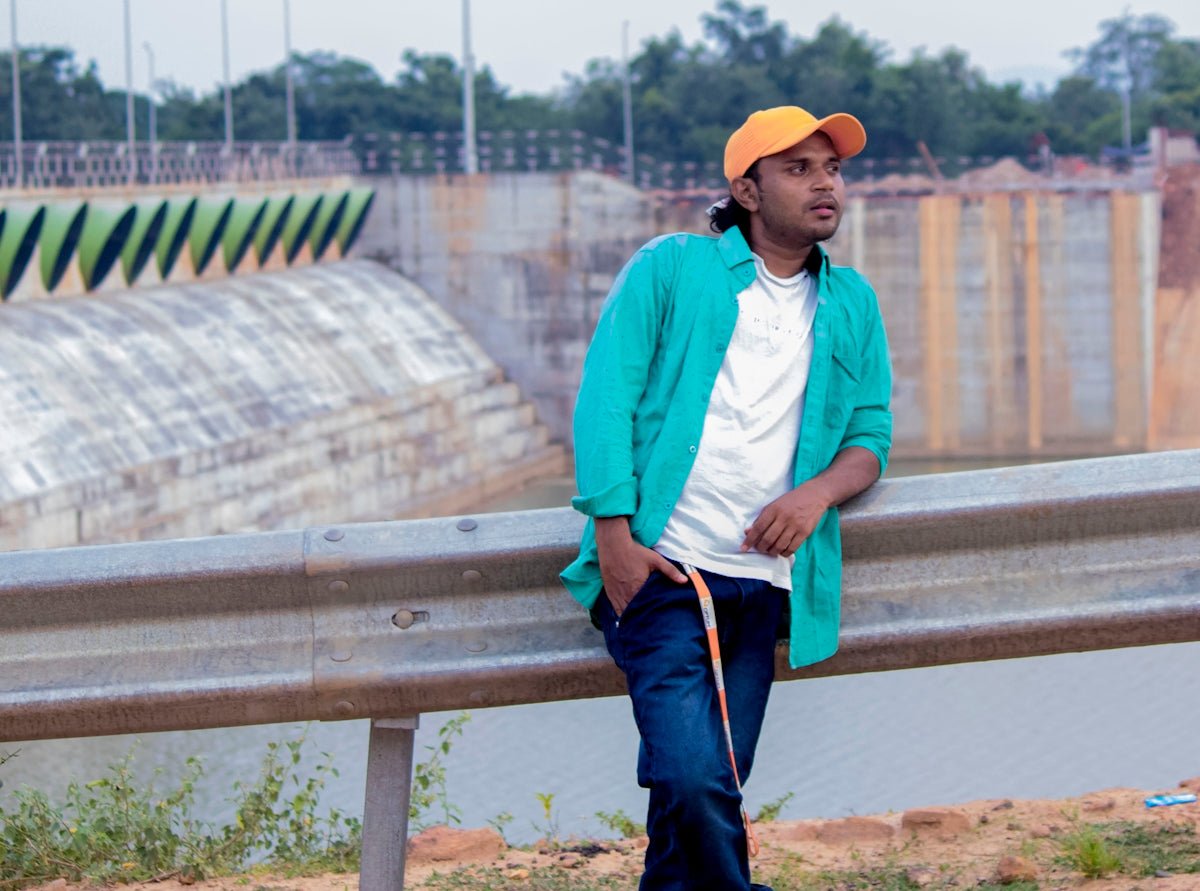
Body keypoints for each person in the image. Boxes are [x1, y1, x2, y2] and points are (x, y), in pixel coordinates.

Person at [560, 105, 893, 891]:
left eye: (833, 169)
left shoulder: (851, 304)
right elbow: (606, 396)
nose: (825, 185)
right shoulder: (672, 268)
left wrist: (815, 495)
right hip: (666, 576)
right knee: (695, 781)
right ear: (746, 188)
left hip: (763, 586)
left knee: (701, 800)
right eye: (799, 168)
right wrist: (613, 536)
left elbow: (871, 436)